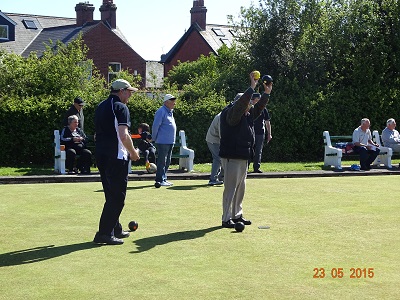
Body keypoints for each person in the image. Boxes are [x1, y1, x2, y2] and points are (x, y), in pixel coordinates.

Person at [219, 71, 272, 228]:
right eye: (248, 103)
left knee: (240, 187)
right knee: (230, 188)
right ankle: (226, 217)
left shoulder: (247, 114)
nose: (250, 106)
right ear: (240, 104)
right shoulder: (230, 113)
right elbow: (240, 107)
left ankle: (237, 215)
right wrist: (251, 87)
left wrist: (266, 93)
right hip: (231, 155)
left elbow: (259, 108)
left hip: (243, 155)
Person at [93, 79, 140, 245]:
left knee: (110, 194)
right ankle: (104, 233)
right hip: (116, 157)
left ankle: (116, 229)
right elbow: (124, 135)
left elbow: (96, 135)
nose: (130, 95)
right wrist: (133, 153)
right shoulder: (121, 107)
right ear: (121, 91)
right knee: (117, 197)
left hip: (101, 155)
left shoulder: (101, 106)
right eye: (129, 92)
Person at [152, 94, 177, 188]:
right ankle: (159, 179)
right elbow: (155, 126)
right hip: (163, 141)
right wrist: (154, 138)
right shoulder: (161, 111)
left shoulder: (170, 112)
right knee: (162, 161)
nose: (174, 103)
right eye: (172, 101)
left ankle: (164, 178)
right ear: (166, 102)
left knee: (167, 161)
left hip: (170, 141)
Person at [249, 93, 272, 173]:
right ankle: (245, 167)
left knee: (258, 151)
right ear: (253, 100)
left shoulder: (263, 109)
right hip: (250, 132)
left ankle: (256, 168)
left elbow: (267, 121)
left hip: (260, 132)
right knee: (249, 150)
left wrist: (269, 134)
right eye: (257, 100)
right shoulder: (249, 108)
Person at [205, 112, 224, 185]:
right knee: (218, 158)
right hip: (213, 140)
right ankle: (212, 179)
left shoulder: (226, 114)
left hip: (217, 139)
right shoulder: (221, 117)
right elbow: (221, 133)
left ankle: (221, 177)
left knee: (223, 157)